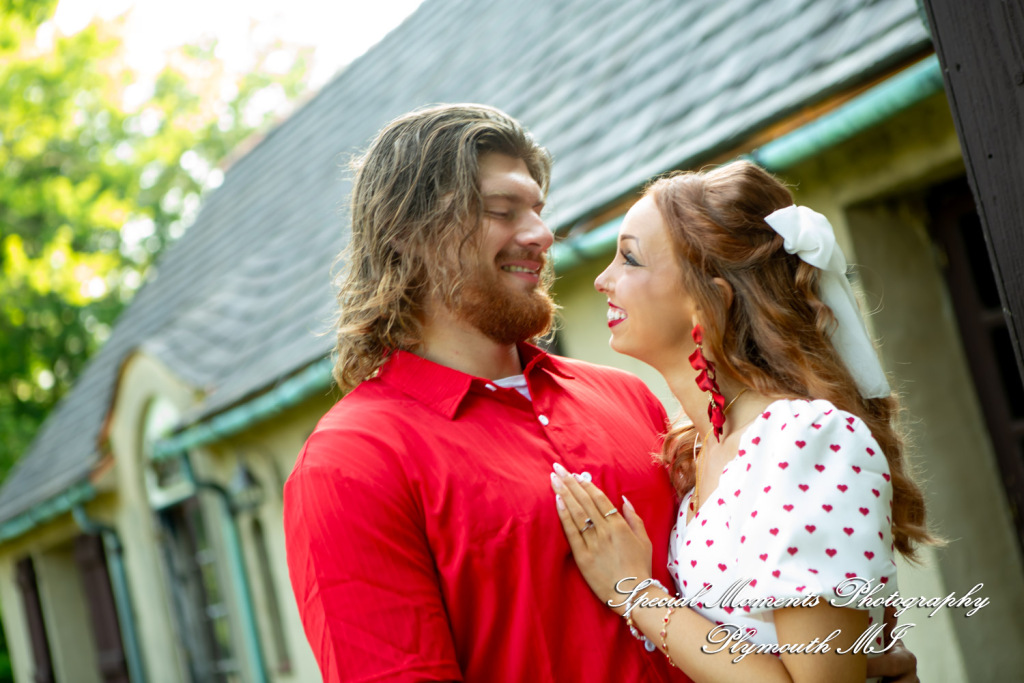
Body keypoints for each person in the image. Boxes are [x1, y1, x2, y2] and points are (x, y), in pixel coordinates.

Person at [283, 104, 919, 682]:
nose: (540, 233)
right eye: (504, 211)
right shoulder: (350, 464)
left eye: (538, 209)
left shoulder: (633, 402)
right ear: (408, 234)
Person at [550, 161, 937, 682]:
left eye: (631, 259)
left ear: (707, 303)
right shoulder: (700, 451)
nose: (602, 279)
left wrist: (636, 592)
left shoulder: (806, 441)